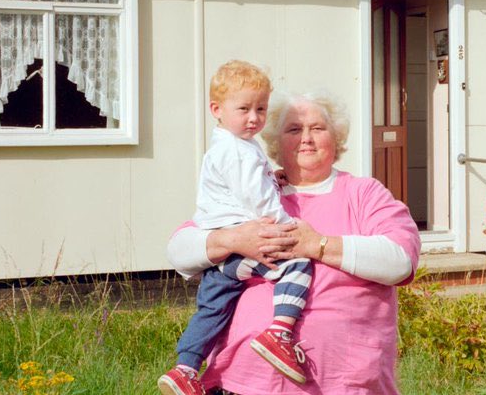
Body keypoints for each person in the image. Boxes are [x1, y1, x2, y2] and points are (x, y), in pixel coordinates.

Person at [167, 91, 420, 394]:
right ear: (274, 142)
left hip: (343, 382)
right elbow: (179, 250)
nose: (307, 138)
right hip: (242, 382)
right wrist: (233, 239)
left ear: (336, 138)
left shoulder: (363, 193)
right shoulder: (253, 193)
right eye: (294, 129)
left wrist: (318, 245)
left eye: (317, 128)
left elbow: (400, 261)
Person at [159, 62, 314, 395]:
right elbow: (255, 198)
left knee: (214, 308)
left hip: (222, 252)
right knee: (298, 265)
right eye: (243, 109)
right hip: (242, 239)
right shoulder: (236, 151)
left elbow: (247, 185)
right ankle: (280, 333)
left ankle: (185, 367)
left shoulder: (233, 146)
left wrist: (271, 178)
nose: (254, 117)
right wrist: (286, 228)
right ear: (217, 109)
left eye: (260, 108)